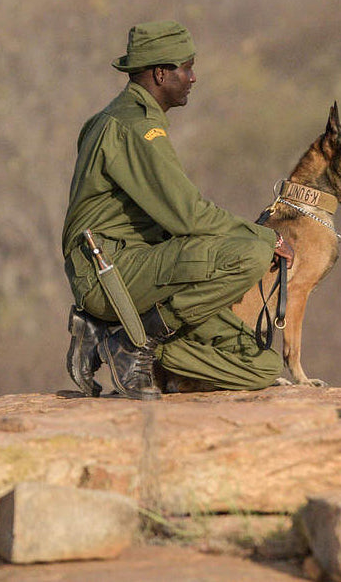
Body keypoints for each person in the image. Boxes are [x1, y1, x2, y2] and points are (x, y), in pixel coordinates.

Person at [62, 21, 293, 399]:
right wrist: (267, 237)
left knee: (263, 364)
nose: (193, 77)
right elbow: (188, 216)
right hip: (110, 274)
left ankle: (118, 340)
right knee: (250, 254)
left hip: (137, 271)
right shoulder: (135, 127)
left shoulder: (117, 118)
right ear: (160, 73)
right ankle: (133, 341)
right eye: (187, 68)